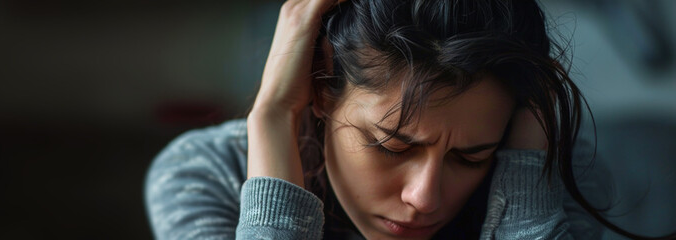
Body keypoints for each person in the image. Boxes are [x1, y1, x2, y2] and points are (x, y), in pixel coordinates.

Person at [144, 0, 674, 239]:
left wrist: (524, 185)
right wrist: (273, 115)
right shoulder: (205, 174)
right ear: (322, 91)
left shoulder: (544, 162)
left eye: (471, 157)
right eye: (392, 146)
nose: (426, 198)